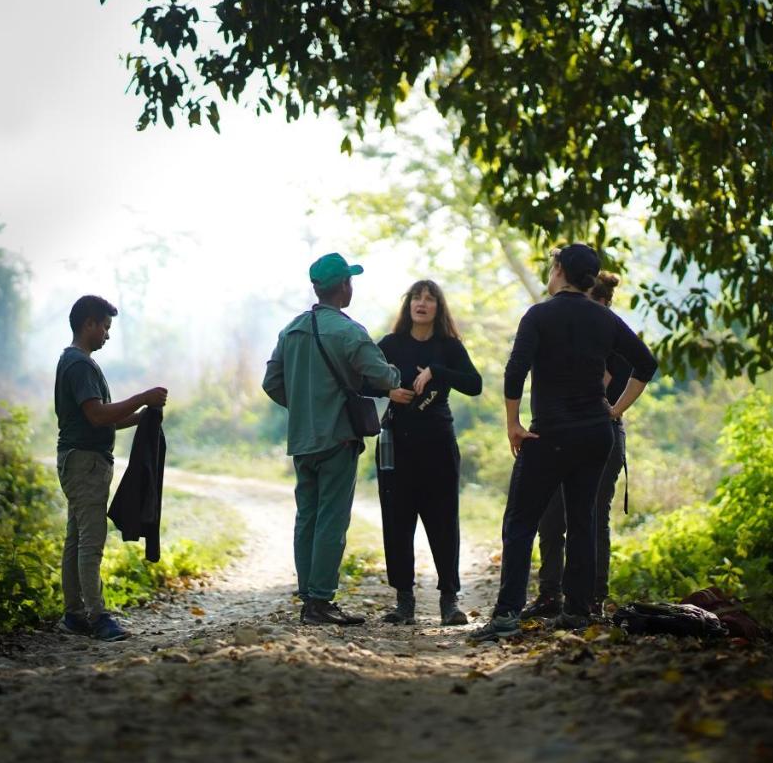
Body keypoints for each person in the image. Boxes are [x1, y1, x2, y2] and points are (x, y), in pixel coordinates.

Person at [474, 245, 657, 640]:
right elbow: (647, 364)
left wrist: (513, 425)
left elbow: (515, 371)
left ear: (558, 270)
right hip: (595, 434)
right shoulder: (605, 319)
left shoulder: (539, 315)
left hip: (550, 433)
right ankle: (577, 611)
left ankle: (506, 615)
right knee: (583, 520)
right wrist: (613, 411)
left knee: (521, 522)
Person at [262, 253, 401, 626]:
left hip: (302, 439)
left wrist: (305, 405)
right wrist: (395, 372)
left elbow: (271, 383)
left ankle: (309, 597)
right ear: (343, 286)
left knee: (306, 516)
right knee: (331, 521)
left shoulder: (290, 330)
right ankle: (321, 602)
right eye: (350, 281)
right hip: (338, 438)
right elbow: (384, 377)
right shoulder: (349, 331)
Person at [54, 295, 168, 642]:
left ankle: (74, 615)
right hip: (86, 464)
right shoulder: (81, 366)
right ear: (88, 323)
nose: (106, 334)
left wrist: (141, 419)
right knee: (91, 542)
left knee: (75, 539)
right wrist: (143, 398)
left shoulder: (72, 361)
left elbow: (100, 420)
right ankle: (97, 616)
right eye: (104, 326)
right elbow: (97, 414)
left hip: (79, 459)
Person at [371, 280, 482, 626]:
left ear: (438, 307)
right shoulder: (390, 344)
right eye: (416, 297)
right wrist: (388, 390)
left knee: (443, 521)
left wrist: (437, 371)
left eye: (430, 298)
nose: (422, 303)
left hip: (438, 444)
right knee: (397, 521)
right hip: (396, 445)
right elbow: (359, 379)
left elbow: (474, 384)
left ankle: (449, 601)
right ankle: (404, 601)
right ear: (408, 306)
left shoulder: (448, 346)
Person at [522, 272, 630, 618]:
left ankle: (591, 598)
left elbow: (630, 373)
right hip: (561, 433)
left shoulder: (611, 332)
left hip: (600, 435)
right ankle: (550, 594)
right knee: (552, 517)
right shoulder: (573, 331)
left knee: (593, 517)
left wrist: (614, 410)